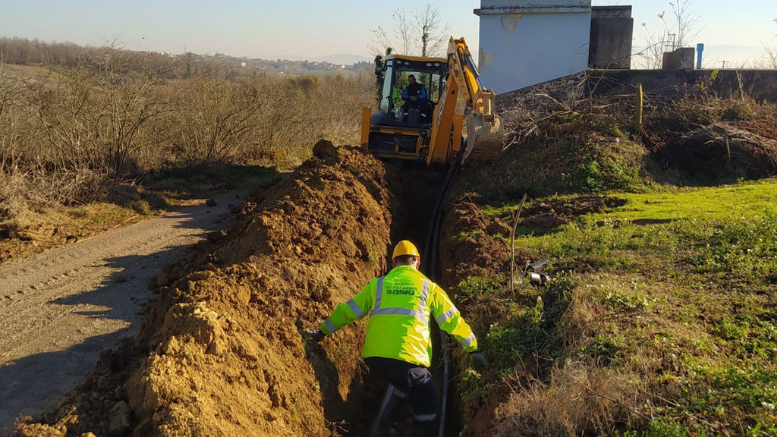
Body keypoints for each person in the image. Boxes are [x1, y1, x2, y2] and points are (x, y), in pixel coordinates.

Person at [305, 240, 488, 437]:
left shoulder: (378, 285)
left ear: (394, 264)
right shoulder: (428, 287)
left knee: (405, 383)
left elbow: (347, 311)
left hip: (375, 357)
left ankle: (383, 424)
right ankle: (391, 428)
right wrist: (473, 348)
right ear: (417, 263)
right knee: (427, 400)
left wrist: (322, 332)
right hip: (407, 357)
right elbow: (452, 320)